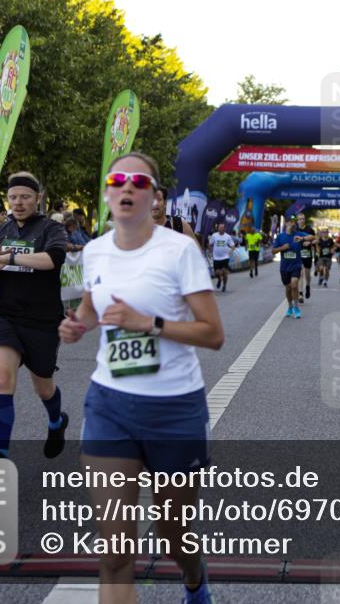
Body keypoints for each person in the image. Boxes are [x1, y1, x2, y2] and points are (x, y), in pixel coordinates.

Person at [58, 152, 221, 604]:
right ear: (107, 193)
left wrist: (147, 323)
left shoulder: (180, 250)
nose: (127, 186)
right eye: (118, 180)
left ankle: (195, 580)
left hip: (175, 408)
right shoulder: (95, 251)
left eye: (139, 181)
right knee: (114, 551)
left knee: (174, 535)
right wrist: (78, 324)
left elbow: (213, 334)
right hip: (110, 405)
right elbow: (91, 307)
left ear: (154, 196)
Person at [0, 171, 69, 459]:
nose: (18, 202)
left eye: (25, 197)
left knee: (43, 388)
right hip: (6, 315)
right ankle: (1, 454)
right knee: (3, 379)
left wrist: (9, 257)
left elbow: (53, 259)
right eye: (13, 197)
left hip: (43, 319)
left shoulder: (51, 228)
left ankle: (56, 421)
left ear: (37, 198)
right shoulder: (0, 230)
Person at [272, 219, 306, 318]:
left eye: (293, 222)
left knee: (294, 285)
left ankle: (296, 307)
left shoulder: (298, 234)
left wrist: (303, 239)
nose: (292, 224)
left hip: (296, 265)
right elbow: (273, 251)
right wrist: (282, 248)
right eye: (290, 222)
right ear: (286, 223)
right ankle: (290, 306)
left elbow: (312, 237)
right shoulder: (280, 236)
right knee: (288, 288)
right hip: (284, 267)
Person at [207, 222, 236, 292]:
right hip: (216, 258)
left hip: (225, 257)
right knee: (217, 273)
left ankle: (224, 286)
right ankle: (219, 279)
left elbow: (233, 246)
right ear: (218, 228)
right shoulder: (214, 236)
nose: (221, 229)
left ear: (224, 229)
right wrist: (210, 252)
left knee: (225, 272)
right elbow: (210, 244)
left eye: (222, 228)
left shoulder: (227, 237)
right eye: (220, 227)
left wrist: (231, 251)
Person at [294, 212, 316, 301]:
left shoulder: (309, 229)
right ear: (297, 221)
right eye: (300, 219)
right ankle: (300, 293)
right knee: (300, 273)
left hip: (307, 253)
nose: (302, 220)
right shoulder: (295, 230)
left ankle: (307, 286)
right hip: (298, 253)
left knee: (307, 273)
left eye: (303, 219)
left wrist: (309, 243)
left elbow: (315, 239)